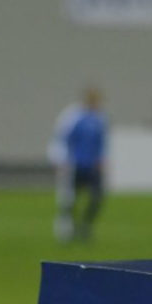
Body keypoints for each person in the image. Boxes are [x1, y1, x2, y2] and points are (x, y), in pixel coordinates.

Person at [49, 87, 108, 242]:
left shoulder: (100, 118)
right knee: (70, 199)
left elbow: (101, 142)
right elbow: (62, 139)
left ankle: (85, 226)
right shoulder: (73, 117)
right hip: (75, 165)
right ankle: (66, 228)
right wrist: (60, 160)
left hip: (92, 166)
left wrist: (101, 159)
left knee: (97, 196)